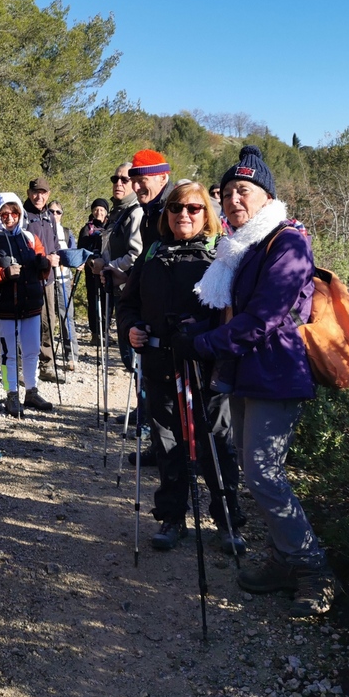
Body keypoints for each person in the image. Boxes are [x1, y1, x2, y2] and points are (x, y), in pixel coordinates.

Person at [184, 145, 335, 617]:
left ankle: (314, 571)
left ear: (267, 196)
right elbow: (232, 310)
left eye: (243, 191)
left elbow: (264, 317)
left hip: (277, 374)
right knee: (256, 473)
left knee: (266, 475)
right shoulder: (243, 246)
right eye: (227, 193)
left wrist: (206, 346)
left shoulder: (288, 242)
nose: (232, 201)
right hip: (248, 374)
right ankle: (284, 558)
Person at [118, 181, 245, 556]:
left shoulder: (221, 254)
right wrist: (131, 330)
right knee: (167, 443)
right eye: (176, 208)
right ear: (166, 214)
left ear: (207, 214)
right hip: (159, 363)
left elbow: (232, 314)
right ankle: (172, 517)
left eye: (193, 209)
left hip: (206, 366)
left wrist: (202, 333)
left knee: (215, 443)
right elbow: (128, 305)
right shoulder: (154, 252)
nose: (183, 215)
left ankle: (228, 522)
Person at [0, 193, 54, 416]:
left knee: (31, 351)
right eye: (4, 213)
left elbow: (42, 270)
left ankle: (31, 391)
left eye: (14, 212)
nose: (9, 217)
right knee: (7, 354)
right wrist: (3, 274)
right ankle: (10, 393)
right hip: (4, 308)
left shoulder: (30, 238)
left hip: (31, 304)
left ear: (20, 214)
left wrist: (45, 265)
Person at [90, 163, 143, 371]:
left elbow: (135, 255)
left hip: (130, 291)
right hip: (118, 290)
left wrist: (108, 266)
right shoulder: (117, 212)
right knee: (126, 353)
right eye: (115, 179)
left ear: (135, 184)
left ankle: (143, 403)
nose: (118, 183)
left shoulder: (135, 213)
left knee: (133, 357)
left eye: (124, 180)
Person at [22, 177, 64, 383]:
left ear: (48, 194)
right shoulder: (22, 215)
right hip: (27, 279)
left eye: (43, 193)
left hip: (48, 279)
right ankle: (22, 366)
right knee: (27, 321)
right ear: (29, 194)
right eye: (35, 192)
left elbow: (55, 245)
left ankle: (47, 364)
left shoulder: (49, 216)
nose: (39, 196)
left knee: (49, 322)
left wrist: (58, 258)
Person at [48, 200, 79, 370]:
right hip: (46, 281)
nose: (54, 214)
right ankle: (47, 358)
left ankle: (71, 356)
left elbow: (74, 255)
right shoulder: (42, 230)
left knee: (66, 317)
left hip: (63, 280)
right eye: (51, 211)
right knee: (47, 320)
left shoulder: (67, 233)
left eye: (58, 212)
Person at [127, 149, 175, 251]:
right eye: (133, 181)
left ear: (162, 178)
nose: (135, 188)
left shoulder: (175, 210)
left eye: (141, 180)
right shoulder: (150, 210)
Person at [78, 197, 109, 345]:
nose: (99, 212)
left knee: (108, 301)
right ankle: (95, 333)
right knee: (93, 300)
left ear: (106, 212)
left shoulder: (111, 226)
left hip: (108, 268)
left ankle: (105, 331)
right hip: (92, 270)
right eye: (96, 209)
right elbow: (81, 249)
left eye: (102, 210)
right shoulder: (87, 229)